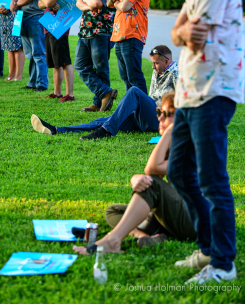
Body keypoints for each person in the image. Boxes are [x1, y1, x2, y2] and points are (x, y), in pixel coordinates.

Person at [167, 0, 245, 285]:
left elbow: (189, 31)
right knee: (179, 170)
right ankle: (207, 248)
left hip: (213, 92)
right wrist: (182, 32)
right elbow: (179, 33)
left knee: (212, 180)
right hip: (189, 92)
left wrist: (183, 31)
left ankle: (223, 264)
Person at [72, 92, 196, 255]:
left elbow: (152, 171)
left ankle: (112, 240)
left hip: (194, 220)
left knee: (151, 184)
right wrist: (136, 178)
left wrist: (169, 131)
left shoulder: (191, 146)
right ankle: (146, 236)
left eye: (167, 114)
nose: (159, 118)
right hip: (174, 213)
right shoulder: (174, 144)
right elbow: (154, 176)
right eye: (159, 112)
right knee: (114, 211)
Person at [30, 45, 178, 140]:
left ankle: (106, 131)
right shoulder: (157, 71)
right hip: (146, 116)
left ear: (167, 61)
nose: (152, 66)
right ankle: (58, 130)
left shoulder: (177, 73)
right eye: (152, 62)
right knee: (103, 120)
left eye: (156, 63)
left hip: (161, 118)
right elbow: (152, 96)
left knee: (134, 91)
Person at [75, 0, 118, 112]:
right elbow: (78, 2)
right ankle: (105, 93)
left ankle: (99, 102)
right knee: (80, 66)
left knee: (101, 69)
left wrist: (87, 3)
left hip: (102, 33)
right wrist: (87, 3)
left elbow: (98, 3)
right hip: (85, 32)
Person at [107, 0, 150, 95]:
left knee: (134, 77)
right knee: (126, 78)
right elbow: (108, 3)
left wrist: (117, 2)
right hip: (120, 34)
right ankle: (132, 112)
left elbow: (124, 7)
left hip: (132, 34)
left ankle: (144, 113)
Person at [10, 0, 51, 92]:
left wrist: (16, 4)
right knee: (29, 53)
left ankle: (42, 83)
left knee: (38, 53)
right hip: (23, 16)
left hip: (35, 16)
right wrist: (14, 1)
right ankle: (32, 81)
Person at [39, 0, 75, 102]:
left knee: (65, 60)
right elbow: (41, 3)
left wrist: (47, 1)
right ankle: (57, 92)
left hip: (60, 23)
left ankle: (69, 94)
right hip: (49, 22)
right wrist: (47, 1)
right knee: (55, 62)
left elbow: (47, 2)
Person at [0, 0, 25, 81]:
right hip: (4, 17)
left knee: (17, 45)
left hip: (16, 16)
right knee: (8, 46)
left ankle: (18, 75)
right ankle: (10, 74)